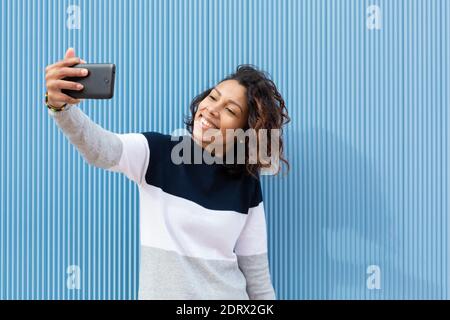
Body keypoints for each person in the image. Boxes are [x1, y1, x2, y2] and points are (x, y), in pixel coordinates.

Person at [45, 47, 290, 300]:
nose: (211, 110)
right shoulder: (157, 153)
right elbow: (100, 148)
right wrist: (61, 108)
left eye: (230, 111)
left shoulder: (247, 185)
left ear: (245, 129)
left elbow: (258, 282)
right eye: (213, 97)